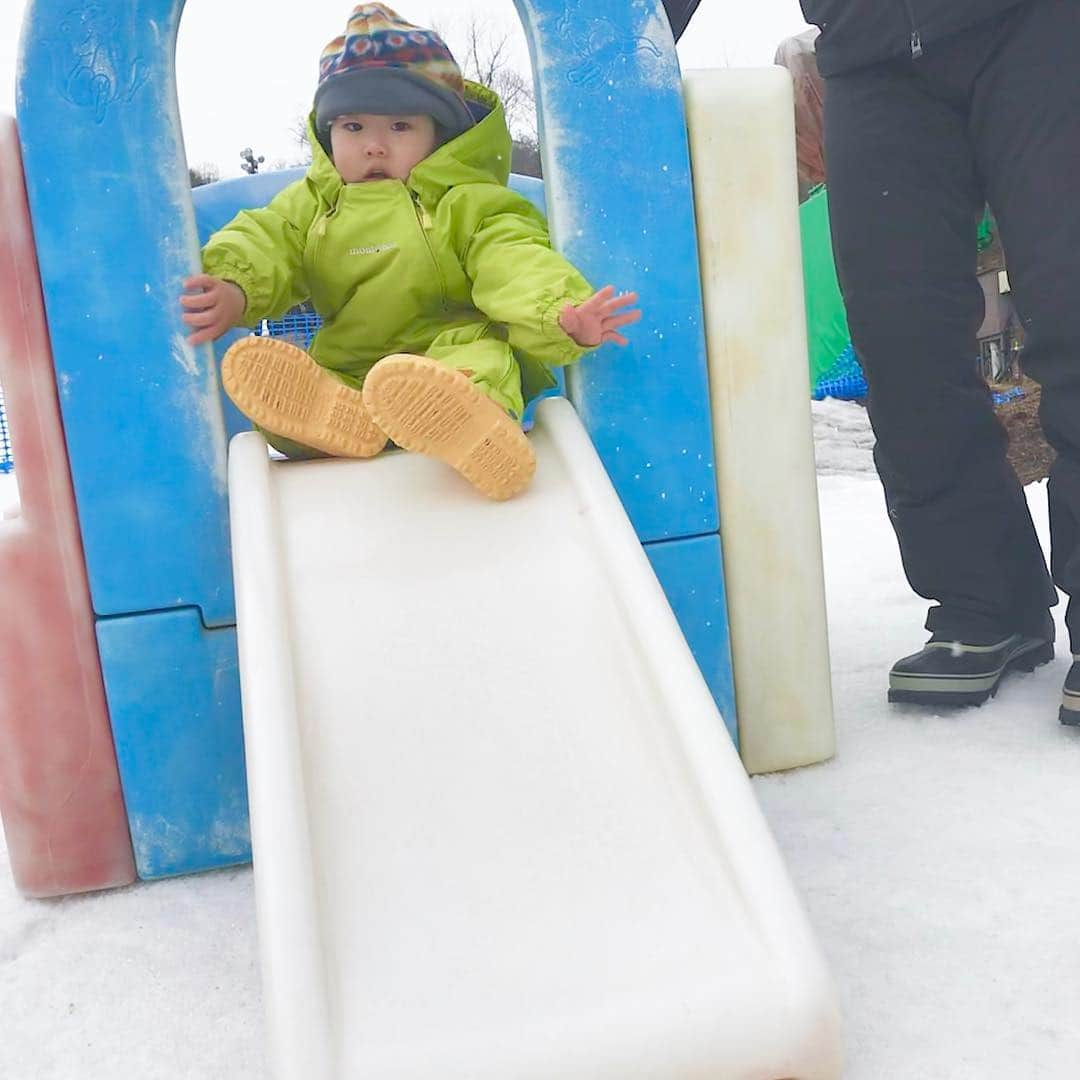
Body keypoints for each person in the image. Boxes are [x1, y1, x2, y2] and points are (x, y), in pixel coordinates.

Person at [179, 3, 639, 501]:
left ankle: (471, 425)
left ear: (436, 133)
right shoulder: (310, 206)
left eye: (399, 127)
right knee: (294, 400)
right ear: (328, 132)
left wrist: (555, 311)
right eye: (353, 127)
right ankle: (341, 423)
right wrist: (233, 285)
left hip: (449, 350)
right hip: (353, 364)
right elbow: (266, 239)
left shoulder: (463, 200)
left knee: (481, 362)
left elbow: (511, 258)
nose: (374, 145)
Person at [792, 0, 1080, 722]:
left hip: (1043, 26)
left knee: (1074, 301)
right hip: (869, 44)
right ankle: (985, 601)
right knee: (900, 337)